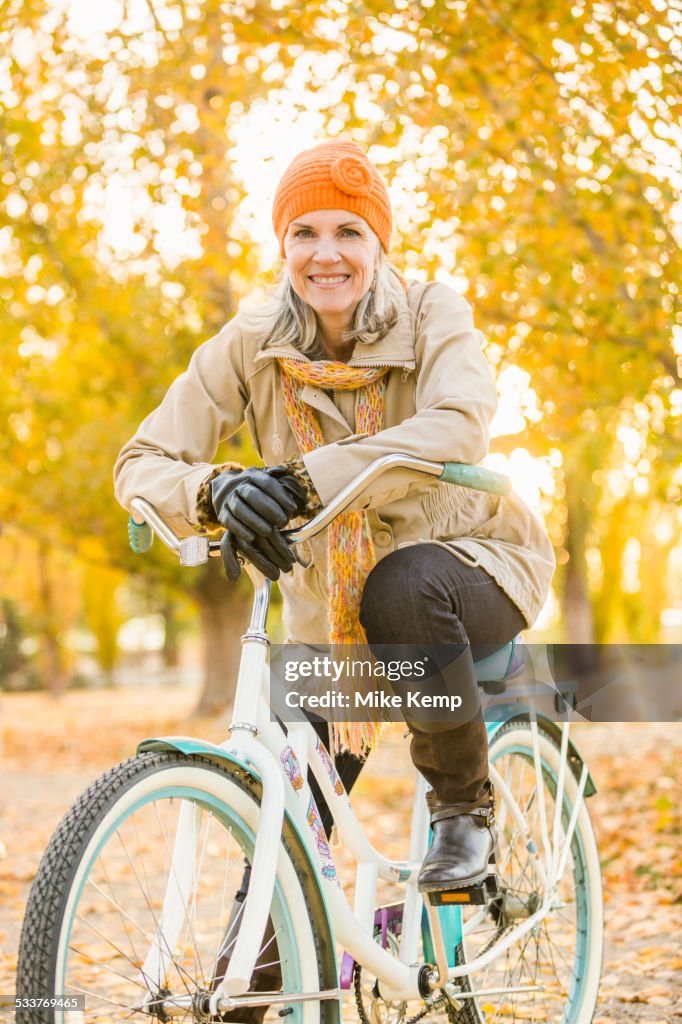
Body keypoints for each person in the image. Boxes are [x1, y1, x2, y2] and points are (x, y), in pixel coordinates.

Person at [114, 139, 555, 897]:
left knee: (402, 585)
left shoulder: (430, 312)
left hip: (472, 566)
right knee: (285, 841)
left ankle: (462, 814)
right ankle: (254, 986)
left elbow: (458, 424)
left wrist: (300, 481)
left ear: (379, 243)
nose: (327, 254)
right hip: (329, 617)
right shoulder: (254, 343)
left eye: (348, 232)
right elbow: (143, 459)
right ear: (282, 246)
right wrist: (215, 490)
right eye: (304, 234)